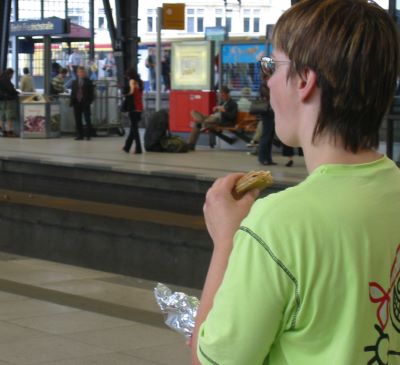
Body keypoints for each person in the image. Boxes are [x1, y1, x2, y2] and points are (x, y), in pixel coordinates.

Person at [192, 1, 400, 364]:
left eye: (273, 65)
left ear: (304, 81)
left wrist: (228, 240)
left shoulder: (277, 225)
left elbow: (212, 361)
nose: (269, 80)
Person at [188, 85, 238, 150]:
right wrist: (216, 110)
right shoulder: (222, 102)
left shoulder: (233, 104)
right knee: (193, 112)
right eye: (221, 94)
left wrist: (224, 111)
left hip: (220, 121)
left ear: (227, 94)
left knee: (196, 124)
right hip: (211, 118)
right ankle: (202, 121)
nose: (222, 96)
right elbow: (216, 113)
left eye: (223, 95)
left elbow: (232, 117)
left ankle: (190, 145)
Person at [122, 68, 144, 154]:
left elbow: (131, 92)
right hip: (140, 107)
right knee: (133, 129)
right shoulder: (140, 82)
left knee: (135, 130)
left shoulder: (132, 81)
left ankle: (138, 149)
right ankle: (127, 147)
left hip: (133, 108)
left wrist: (125, 93)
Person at [70, 66, 95, 140]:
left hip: (85, 103)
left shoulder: (89, 82)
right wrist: (72, 101)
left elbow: (92, 94)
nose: (81, 73)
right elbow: (73, 92)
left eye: (82, 72)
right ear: (77, 73)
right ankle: (80, 135)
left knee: (87, 119)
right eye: (79, 72)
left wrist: (89, 102)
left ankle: (88, 135)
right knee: (78, 119)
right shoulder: (74, 82)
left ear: (85, 73)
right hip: (76, 103)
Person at [257, 81, 276, 165]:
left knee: (270, 137)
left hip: (271, 114)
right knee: (265, 137)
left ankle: (268, 159)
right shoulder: (264, 86)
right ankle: (262, 158)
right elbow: (268, 96)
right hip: (267, 114)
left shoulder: (268, 85)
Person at [0, 68, 19, 137]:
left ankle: (2, 131)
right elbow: (11, 89)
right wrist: (17, 93)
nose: (12, 76)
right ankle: (9, 132)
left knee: (2, 116)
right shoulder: (6, 79)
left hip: (1, 100)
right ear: (10, 74)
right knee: (9, 116)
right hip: (8, 100)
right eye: (12, 74)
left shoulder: (1, 77)